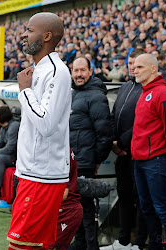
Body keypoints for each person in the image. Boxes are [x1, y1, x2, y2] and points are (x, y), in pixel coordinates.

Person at [7, 12, 72, 250]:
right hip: (31, 171)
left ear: (46, 36)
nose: (24, 34)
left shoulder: (57, 71)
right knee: (34, 245)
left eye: (30, 30)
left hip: (42, 174)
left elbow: (46, 124)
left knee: (22, 245)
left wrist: (25, 91)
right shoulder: (39, 69)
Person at [131, 54, 166, 250]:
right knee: (147, 208)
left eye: (140, 67)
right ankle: (154, 245)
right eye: (135, 66)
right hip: (140, 161)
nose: (135, 70)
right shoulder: (144, 92)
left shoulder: (163, 93)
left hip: (156, 160)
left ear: (153, 69)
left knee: (163, 209)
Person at [102, 49, 148, 250]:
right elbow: (113, 117)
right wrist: (113, 141)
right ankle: (123, 241)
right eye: (130, 63)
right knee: (125, 197)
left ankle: (139, 242)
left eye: (137, 64)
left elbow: (141, 123)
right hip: (121, 154)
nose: (132, 67)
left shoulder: (147, 90)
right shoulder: (124, 87)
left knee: (141, 200)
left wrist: (120, 144)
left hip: (138, 155)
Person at [68, 57, 113, 250]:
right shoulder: (73, 94)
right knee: (75, 206)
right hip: (71, 161)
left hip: (85, 161)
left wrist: (96, 160)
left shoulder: (95, 95)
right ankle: (79, 244)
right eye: (75, 70)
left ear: (90, 71)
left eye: (82, 70)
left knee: (86, 208)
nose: (79, 74)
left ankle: (90, 246)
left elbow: (104, 132)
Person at [55, 149, 83, 250]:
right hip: (65, 209)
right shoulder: (60, 148)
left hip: (66, 211)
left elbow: (63, 194)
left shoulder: (59, 152)